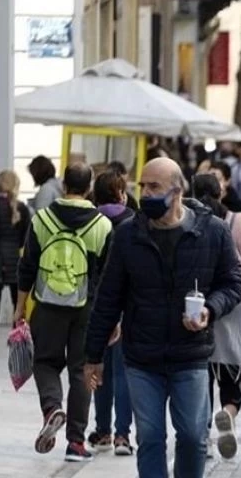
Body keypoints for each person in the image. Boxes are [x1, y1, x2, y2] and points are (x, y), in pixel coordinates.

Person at [83, 158, 241, 478]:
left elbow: (234, 283)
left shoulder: (211, 231)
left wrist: (210, 309)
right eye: (142, 186)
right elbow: (108, 298)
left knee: (191, 437)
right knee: (150, 438)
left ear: (176, 192)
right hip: (142, 357)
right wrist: (93, 356)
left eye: (153, 187)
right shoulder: (129, 235)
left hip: (191, 354)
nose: (144, 193)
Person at [14, 163, 114, 461]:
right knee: (82, 371)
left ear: (63, 184)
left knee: (44, 363)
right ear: (89, 186)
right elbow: (109, 276)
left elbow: (27, 265)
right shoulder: (102, 225)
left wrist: (21, 305)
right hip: (88, 309)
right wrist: (112, 317)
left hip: (46, 304)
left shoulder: (41, 219)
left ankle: (51, 407)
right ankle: (76, 444)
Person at [189, 174, 241, 460]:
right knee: (235, 371)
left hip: (197, 304)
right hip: (237, 303)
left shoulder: (188, 221)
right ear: (221, 192)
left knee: (200, 374)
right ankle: (228, 412)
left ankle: (202, 437)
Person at [88, 171, 138, 456]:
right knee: (123, 372)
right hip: (127, 306)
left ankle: (102, 430)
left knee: (98, 368)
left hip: (95, 305)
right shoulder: (133, 222)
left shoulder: (90, 221)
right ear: (121, 193)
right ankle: (122, 435)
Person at [0, 170, 31, 340]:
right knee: (18, 300)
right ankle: (18, 332)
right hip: (16, 259)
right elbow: (26, 236)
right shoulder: (22, 208)